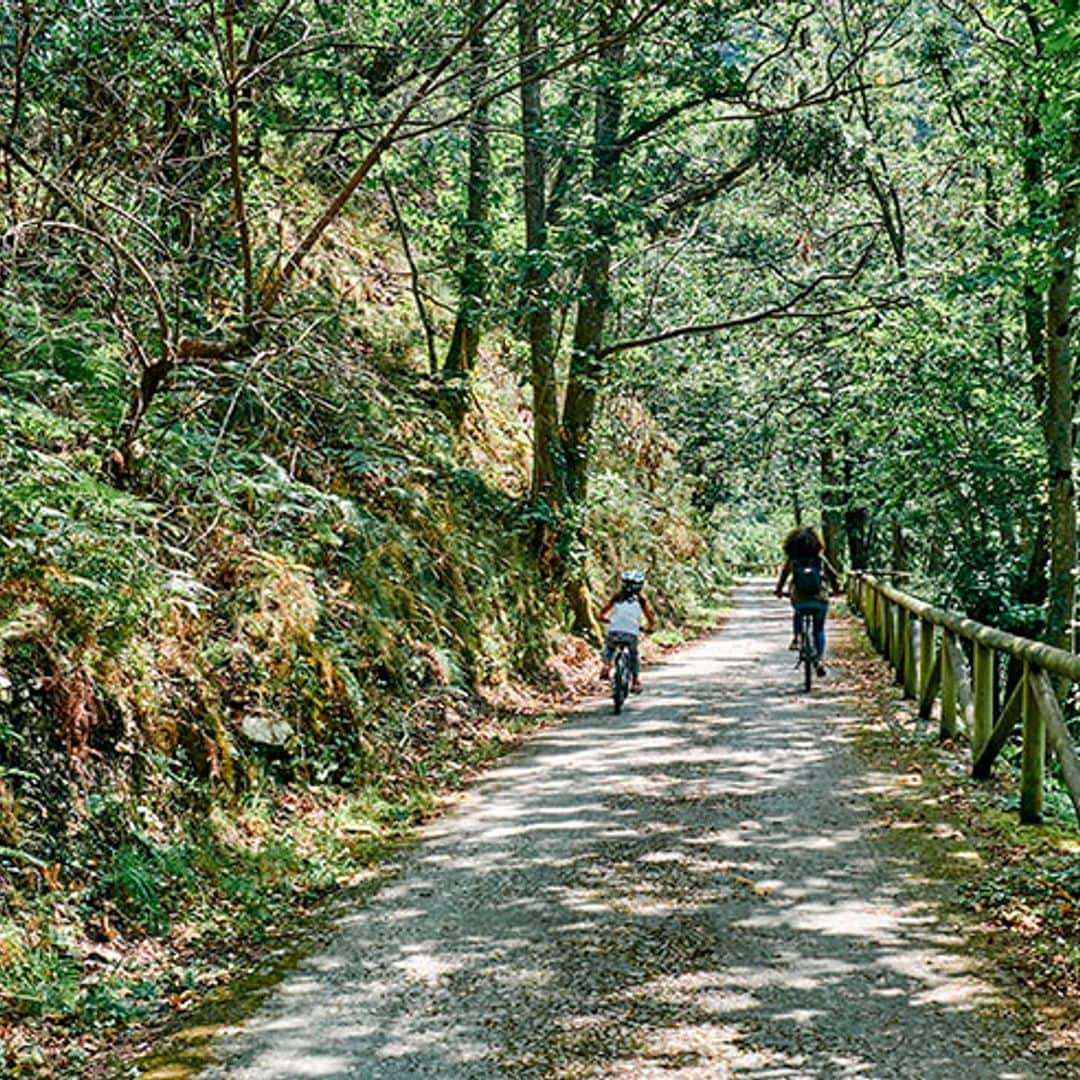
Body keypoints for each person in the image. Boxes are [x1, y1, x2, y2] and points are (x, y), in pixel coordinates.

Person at [774, 528, 841, 676]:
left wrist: (779, 591)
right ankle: (820, 659)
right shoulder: (819, 559)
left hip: (800, 599)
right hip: (820, 599)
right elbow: (833, 576)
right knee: (819, 629)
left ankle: (797, 637)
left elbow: (783, 578)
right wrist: (837, 590)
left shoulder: (792, 560)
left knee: (798, 610)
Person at [599, 569, 655, 693]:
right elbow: (650, 619)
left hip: (614, 631)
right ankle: (635, 682)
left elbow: (602, 613)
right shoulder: (641, 601)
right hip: (631, 633)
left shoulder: (617, 597)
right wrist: (649, 628)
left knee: (609, 648)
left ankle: (606, 665)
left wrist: (604, 619)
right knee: (634, 656)